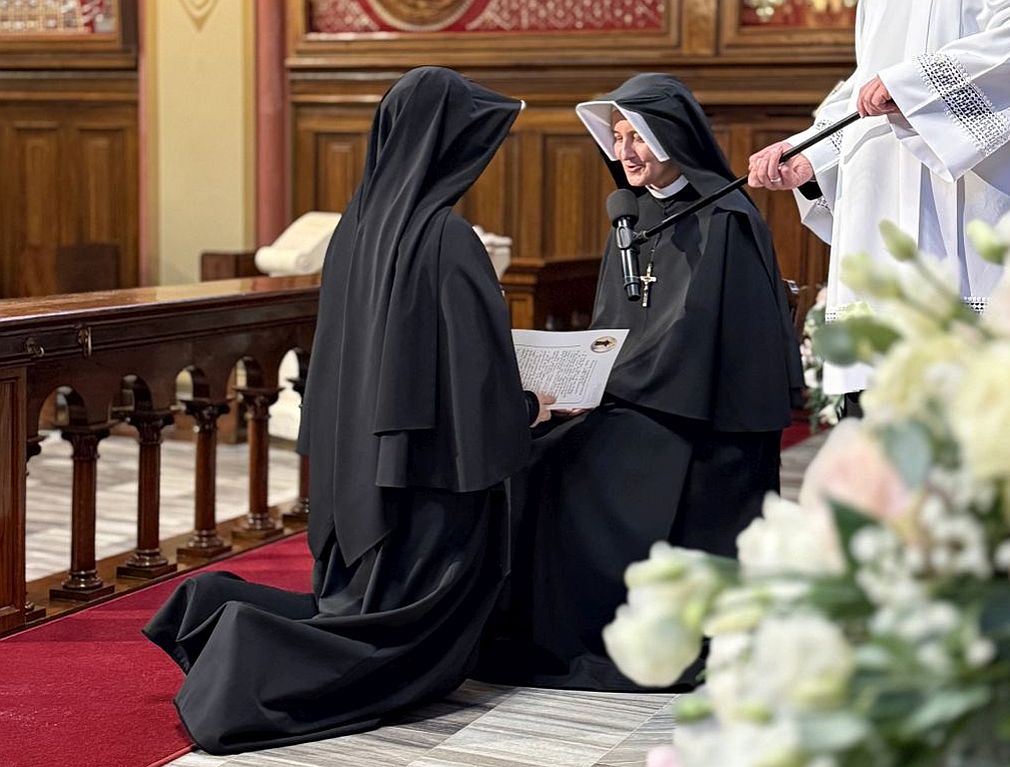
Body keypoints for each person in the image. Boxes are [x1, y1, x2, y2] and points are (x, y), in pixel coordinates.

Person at [143, 67, 553, 754]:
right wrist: (526, 408)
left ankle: (209, 607)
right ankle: (242, 643)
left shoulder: (355, 229)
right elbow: (475, 379)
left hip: (357, 475)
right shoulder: (446, 239)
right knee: (400, 633)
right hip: (425, 482)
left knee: (355, 604)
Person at [474, 74, 803, 692]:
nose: (624, 152)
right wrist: (579, 376)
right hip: (637, 392)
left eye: (638, 137)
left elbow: (703, 340)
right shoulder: (630, 217)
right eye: (618, 138)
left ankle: (599, 632)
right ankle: (541, 626)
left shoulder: (725, 216)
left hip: (696, 413)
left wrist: (613, 386)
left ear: (673, 137)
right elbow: (614, 324)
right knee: (530, 447)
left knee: (568, 461)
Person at [748, 0, 1010, 398]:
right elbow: (867, 83)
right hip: (881, 202)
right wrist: (811, 151)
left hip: (973, 196)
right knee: (878, 403)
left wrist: (916, 84)